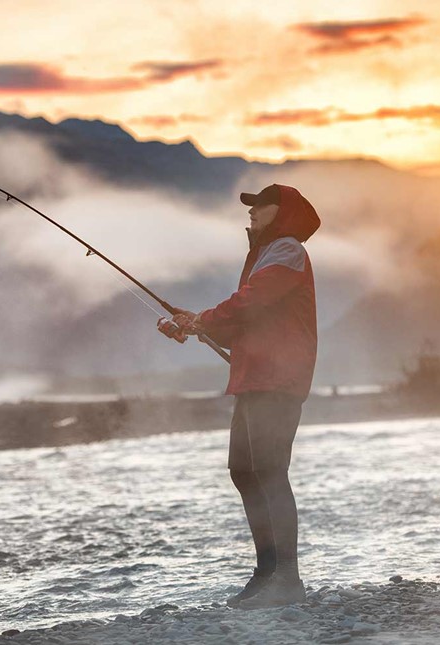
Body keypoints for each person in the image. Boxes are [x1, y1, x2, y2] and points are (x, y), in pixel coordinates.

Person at [158, 183, 320, 609]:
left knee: (268, 471)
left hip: (278, 378)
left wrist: (200, 321)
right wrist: (190, 325)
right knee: (244, 472)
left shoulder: (287, 250)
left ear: (280, 212)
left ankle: (287, 579)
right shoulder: (265, 255)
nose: (251, 212)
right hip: (253, 377)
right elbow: (242, 321)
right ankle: (266, 573)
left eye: (260, 206)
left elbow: (250, 302)